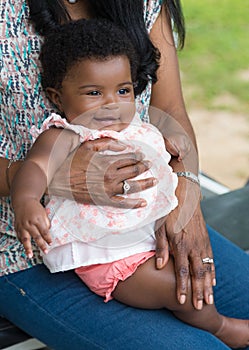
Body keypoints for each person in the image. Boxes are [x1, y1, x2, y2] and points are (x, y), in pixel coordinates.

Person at [0, 1, 248, 349]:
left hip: (149, 226)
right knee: (191, 314)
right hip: (43, 250)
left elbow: (170, 113)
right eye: (94, 94)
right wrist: (32, 192)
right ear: (58, 96)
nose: (112, 104)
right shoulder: (66, 133)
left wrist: (186, 195)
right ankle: (219, 328)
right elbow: (39, 166)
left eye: (124, 90)